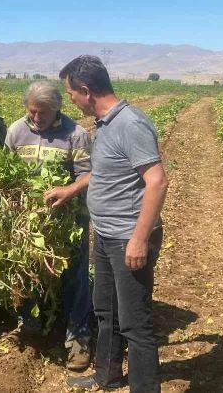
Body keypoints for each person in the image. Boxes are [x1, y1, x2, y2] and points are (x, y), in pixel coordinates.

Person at [58, 56, 168, 392]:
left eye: (72, 94)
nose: (71, 101)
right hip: (106, 235)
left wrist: (138, 239)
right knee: (106, 310)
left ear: (87, 91)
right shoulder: (105, 124)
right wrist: (71, 189)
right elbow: (104, 171)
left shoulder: (130, 124)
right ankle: (107, 374)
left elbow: (157, 181)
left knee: (136, 323)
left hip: (127, 238)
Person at [4, 80, 94, 370]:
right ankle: (30, 323)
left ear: (57, 109)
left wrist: (68, 190)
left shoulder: (75, 135)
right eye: (32, 111)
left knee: (75, 277)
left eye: (42, 113)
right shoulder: (16, 131)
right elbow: (6, 173)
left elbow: (88, 176)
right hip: (28, 223)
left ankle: (78, 338)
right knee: (28, 272)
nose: (36, 118)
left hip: (68, 220)